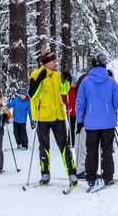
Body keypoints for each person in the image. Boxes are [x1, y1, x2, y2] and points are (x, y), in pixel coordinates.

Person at [29, 51, 77, 186]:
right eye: (53, 61)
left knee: (64, 145)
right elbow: (31, 94)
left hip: (58, 116)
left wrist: (67, 81)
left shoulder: (56, 76)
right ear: (46, 63)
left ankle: (72, 173)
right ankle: (45, 173)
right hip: (43, 116)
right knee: (44, 146)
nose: (56, 63)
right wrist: (39, 79)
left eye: (55, 61)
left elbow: (62, 91)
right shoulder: (35, 74)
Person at [76, 52, 118, 187]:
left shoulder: (86, 81)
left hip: (90, 123)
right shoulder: (111, 81)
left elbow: (80, 103)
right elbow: (117, 101)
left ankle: (91, 177)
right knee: (107, 150)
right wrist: (109, 110)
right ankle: (108, 176)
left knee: (92, 151)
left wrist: (80, 121)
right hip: (108, 122)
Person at [62, 72, 78, 147]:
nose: (74, 84)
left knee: (75, 127)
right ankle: (70, 141)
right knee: (71, 127)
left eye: (75, 83)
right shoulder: (67, 89)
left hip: (76, 111)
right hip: (70, 111)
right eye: (72, 82)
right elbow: (63, 98)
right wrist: (66, 103)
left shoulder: (77, 90)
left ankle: (74, 140)